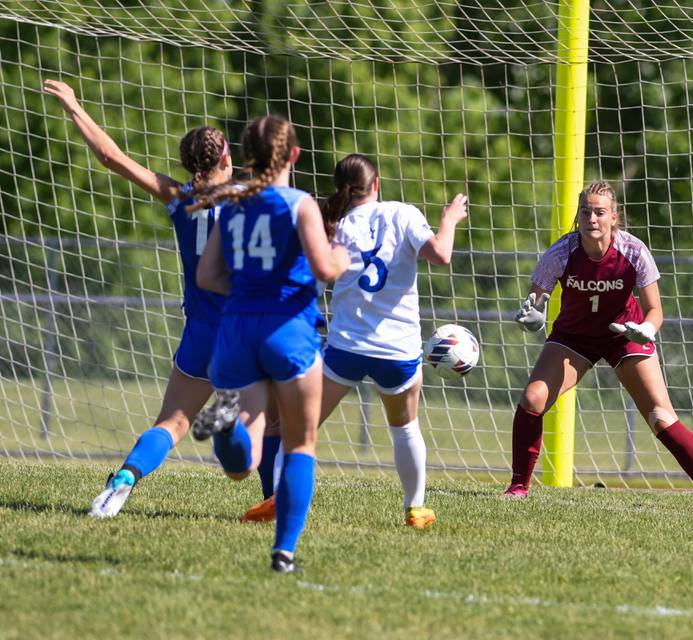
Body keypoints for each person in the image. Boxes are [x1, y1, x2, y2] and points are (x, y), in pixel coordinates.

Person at [240, 153, 468, 528]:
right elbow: (441, 255)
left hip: (345, 349)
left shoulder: (335, 225)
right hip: (398, 350)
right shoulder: (403, 213)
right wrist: (449, 220)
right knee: (405, 427)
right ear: (376, 184)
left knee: (299, 427)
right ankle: (415, 509)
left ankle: (279, 499)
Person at [44, 79, 236, 518]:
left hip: (201, 334)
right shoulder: (253, 203)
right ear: (227, 157)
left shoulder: (180, 198)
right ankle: (272, 497)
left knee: (171, 423)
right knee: (275, 424)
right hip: (246, 332)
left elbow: (112, 157)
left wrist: (76, 107)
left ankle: (123, 481)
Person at [507, 180, 693, 515]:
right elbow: (535, 299)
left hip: (624, 335)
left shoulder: (633, 251)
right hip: (575, 338)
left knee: (660, 417)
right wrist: (532, 316)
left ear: (614, 217)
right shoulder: (560, 252)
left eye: (600, 212)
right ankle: (517, 488)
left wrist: (645, 328)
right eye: (585, 211)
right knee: (532, 398)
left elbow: (656, 310)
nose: (592, 219)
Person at [191, 114, 350, 573]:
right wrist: (340, 256)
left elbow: (207, 276)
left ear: (244, 156)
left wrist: (246, 293)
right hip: (288, 328)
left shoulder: (233, 203)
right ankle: (284, 553)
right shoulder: (300, 203)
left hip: (238, 329)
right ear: (294, 155)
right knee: (301, 444)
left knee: (243, 463)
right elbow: (323, 268)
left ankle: (227, 429)